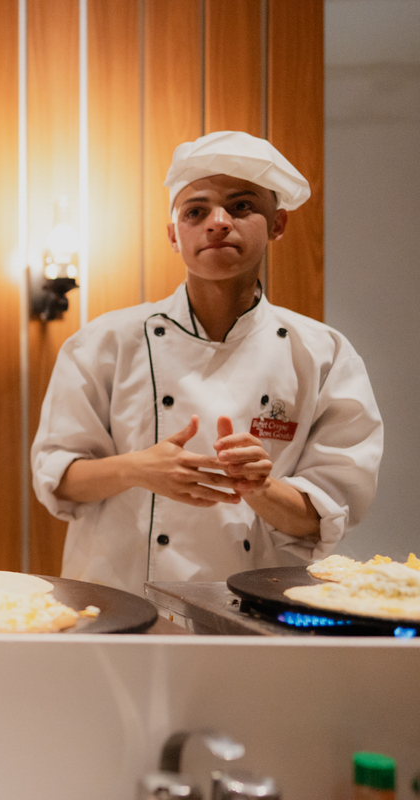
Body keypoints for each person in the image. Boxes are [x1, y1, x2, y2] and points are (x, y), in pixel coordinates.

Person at [30, 130, 383, 595]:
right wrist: (139, 468)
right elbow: (59, 477)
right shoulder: (103, 342)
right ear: (175, 234)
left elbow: (324, 516)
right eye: (196, 211)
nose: (218, 222)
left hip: (254, 611)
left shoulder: (323, 354)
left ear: (278, 224)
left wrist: (261, 487)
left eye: (241, 206)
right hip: (120, 603)